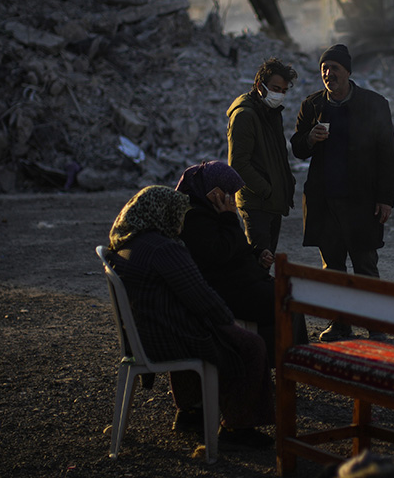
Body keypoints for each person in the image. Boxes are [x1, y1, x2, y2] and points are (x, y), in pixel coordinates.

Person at [105, 185, 274, 449]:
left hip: (144, 335)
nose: (182, 221)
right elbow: (203, 299)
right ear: (164, 213)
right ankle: (237, 427)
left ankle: (191, 411)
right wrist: (229, 324)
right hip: (164, 340)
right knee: (250, 344)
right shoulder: (164, 249)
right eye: (178, 214)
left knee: (216, 332)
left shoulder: (128, 244)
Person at [290, 44, 394, 342]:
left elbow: (387, 154)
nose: (328, 74)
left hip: (362, 201)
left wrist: (385, 198)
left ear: (347, 72)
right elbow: (298, 148)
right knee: (333, 268)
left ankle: (375, 325)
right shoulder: (312, 106)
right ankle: (340, 324)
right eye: (324, 69)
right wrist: (309, 139)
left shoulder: (373, 104)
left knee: (365, 264)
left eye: (334, 69)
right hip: (325, 202)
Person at [175, 160, 306, 362]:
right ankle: (282, 360)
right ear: (213, 190)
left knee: (289, 294)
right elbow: (221, 254)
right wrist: (229, 218)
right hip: (225, 291)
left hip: (238, 284)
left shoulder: (211, 212)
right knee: (287, 299)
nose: (231, 198)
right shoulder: (195, 219)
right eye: (227, 192)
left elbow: (236, 248)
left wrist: (257, 255)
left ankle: (289, 357)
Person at [226, 57, 297, 267]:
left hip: (271, 203)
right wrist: (267, 190)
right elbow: (239, 165)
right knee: (258, 265)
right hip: (258, 204)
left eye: (284, 90)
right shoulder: (245, 115)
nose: (279, 95)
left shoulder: (270, 112)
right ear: (260, 86)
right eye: (276, 88)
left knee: (265, 264)